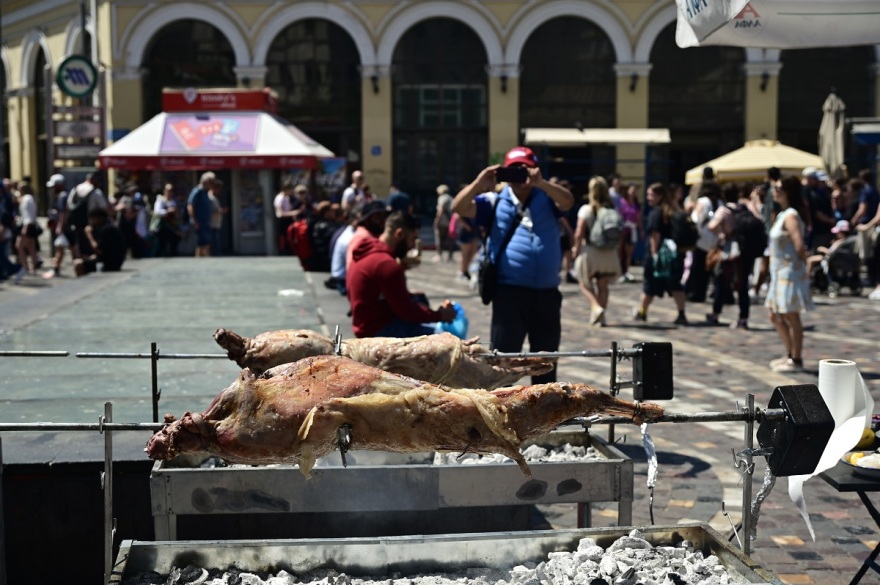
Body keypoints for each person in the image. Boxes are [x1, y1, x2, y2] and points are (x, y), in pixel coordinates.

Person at [452, 146, 574, 384]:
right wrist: (479, 183)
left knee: (546, 363)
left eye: (525, 168)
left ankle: (546, 414)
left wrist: (542, 183)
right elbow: (459, 208)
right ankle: (503, 416)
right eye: (514, 170)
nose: (520, 175)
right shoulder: (494, 200)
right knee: (503, 363)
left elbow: (568, 202)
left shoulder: (547, 197)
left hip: (547, 294)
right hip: (510, 294)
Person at [347, 211, 456, 337]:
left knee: (419, 300)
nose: (411, 247)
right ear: (400, 234)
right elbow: (406, 312)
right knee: (445, 337)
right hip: (377, 330)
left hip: (364, 323)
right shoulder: (385, 264)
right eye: (413, 239)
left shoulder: (368, 251)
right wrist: (440, 315)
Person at [766, 175, 814, 372]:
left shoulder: (791, 215)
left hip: (789, 272)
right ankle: (789, 354)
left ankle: (796, 359)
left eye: (777, 188)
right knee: (775, 316)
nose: (773, 191)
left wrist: (805, 266)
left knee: (791, 316)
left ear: (786, 192)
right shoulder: (782, 214)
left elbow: (799, 245)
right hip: (778, 272)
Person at [632, 182, 688, 325]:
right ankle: (681, 313)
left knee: (649, 285)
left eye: (651, 195)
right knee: (676, 285)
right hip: (674, 255)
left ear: (660, 196)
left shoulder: (656, 212)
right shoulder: (674, 210)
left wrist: (654, 254)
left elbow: (654, 235)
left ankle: (642, 312)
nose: (648, 198)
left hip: (660, 256)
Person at [571, 176, 620, 327]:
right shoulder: (611, 210)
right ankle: (600, 317)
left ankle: (596, 307)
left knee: (584, 283)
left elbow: (579, 232)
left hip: (591, 252)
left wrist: (576, 249)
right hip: (608, 253)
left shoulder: (586, 209)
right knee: (603, 286)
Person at [685, 181, 721, 303]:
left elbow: (695, 219)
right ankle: (712, 293)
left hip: (701, 240)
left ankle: (697, 293)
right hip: (715, 240)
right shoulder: (720, 202)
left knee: (698, 268)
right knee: (710, 269)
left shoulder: (702, 202)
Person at [74, 207, 126, 276]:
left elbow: (98, 250)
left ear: (99, 218)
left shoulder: (107, 229)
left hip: (110, 264)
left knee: (78, 264)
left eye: (92, 219)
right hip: (112, 261)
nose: (91, 221)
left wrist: (89, 234)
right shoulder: (108, 227)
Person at [68, 173, 110, 257]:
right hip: (91, 225)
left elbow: (69, 205)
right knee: (91, 249)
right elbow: (105, 209)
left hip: (76, 225)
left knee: (79, 247)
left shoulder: (74, 190)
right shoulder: (96, 192)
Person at [345, 200, 388, 271]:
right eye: (377, 216)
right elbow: (352, 268)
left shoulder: (372, 234)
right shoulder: (362, 237)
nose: (382, 220)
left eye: (384, 216)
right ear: (367, 219)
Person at [44, 173, 72, 278]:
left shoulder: (63, 195)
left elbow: (63, 212)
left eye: (54, 186)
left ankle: (56, 269)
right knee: (70, 248)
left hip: (65, 227)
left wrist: (60, 226)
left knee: (60, 247)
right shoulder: (65, 194)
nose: (53, 189)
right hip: (67, 226)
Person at [12, 183, 39, 284]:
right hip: (29, 225)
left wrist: (25, 228)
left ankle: (25, 266)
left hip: (27, 225)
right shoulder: (28, 198)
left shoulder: (27, 199)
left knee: (19, 246)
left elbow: (28, 214)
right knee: (30, 247)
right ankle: (33, 266)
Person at [616, 182, 641, 283]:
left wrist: (641, 229)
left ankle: (626, 271)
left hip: (632, 229)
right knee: (620, 252)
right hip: (622, 229)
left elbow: (638, 218)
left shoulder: (636, 204)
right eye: (632, 190)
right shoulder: (622, 202)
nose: (634, 192)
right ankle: (619, 273)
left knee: (629, 252)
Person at [187, 171, 215, 257]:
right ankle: (201, 260)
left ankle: (201, 260)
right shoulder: (197, 191)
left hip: (205, 223)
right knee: (204, 242)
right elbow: (190, 205)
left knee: (203, 242)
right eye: (211, 182)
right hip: (199, 222)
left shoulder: (205, 192)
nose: (212, 184)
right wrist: (194, 221)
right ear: (205, 182)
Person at [151, 185, 182, 257]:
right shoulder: (160, 200)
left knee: (174, 242)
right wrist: (168, 211)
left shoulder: (173, 202)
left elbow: (177, 215)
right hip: (162, 227)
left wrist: (176, 213)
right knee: (161, 245)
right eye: (168, 190)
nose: (170, 192)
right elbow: (157, 212)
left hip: (171, 226)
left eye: (171, 191)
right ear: (164, 191)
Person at [273, 179, 297, 254]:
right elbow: (279, 214)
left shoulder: (287, 198)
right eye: (290, 189)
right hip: (283, 221)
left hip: (289, 220)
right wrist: (293, 213)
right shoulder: (279, 198)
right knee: (283, 238)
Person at [433, 184, 455, 263]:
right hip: (450, 221)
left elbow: (441, 210)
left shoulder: (442, 198)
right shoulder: (451, 198)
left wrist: (437, 220)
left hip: (442, 221)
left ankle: (439, 255)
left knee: (439, 238)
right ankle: (450, 256)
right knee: (450, 240)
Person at [208, 179, 227, 256]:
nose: (219, 191)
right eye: (218, 189)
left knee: (215, 244)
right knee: (214, 245)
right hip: (211, 225)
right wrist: (220, 211)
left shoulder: (214, 197)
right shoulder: (210, 198)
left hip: (216, 224)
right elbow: (209, 211)